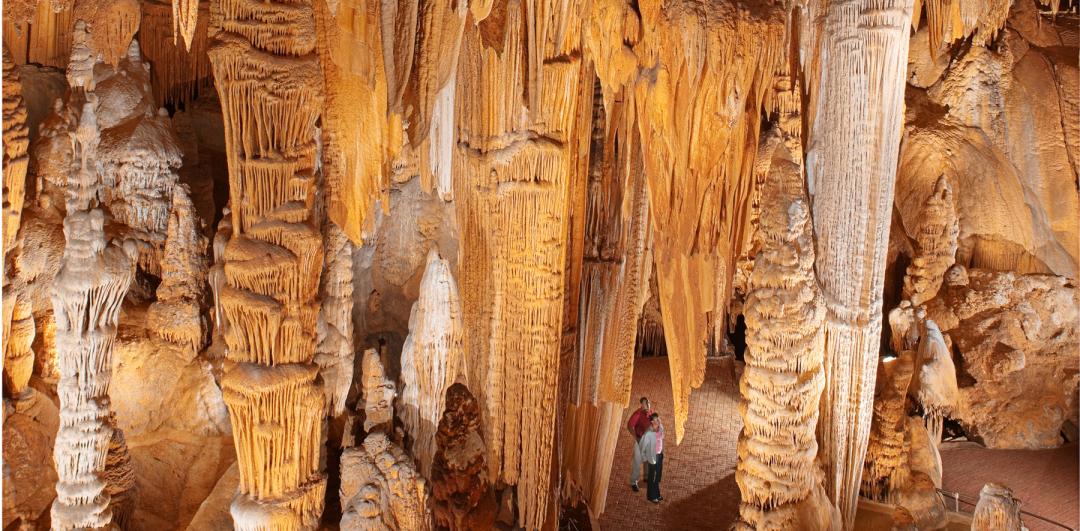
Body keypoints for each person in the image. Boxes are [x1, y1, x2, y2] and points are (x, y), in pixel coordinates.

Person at [626, 397, 652, 491]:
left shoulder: (650, 413)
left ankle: (646, 478)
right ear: (641, 405)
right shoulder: (637, 414)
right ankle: (633, 482)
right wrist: (636, 438)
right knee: (637, 462)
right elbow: (629, 426)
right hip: (640, 441)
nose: (648, 405)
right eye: (645, 403)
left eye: (648, 403)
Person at [638, 413, 664, 503]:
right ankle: (651, 496)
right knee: (652, 477)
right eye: (656, 420)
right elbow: (642, 446)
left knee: (657, 477)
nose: (659, 421)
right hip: (653, 457)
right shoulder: (648, 433)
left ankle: (657, 494)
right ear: (652, 422)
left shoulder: (660, 428)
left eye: (659, 419)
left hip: (660, 455)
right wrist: (645, 458)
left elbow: (661, 438)